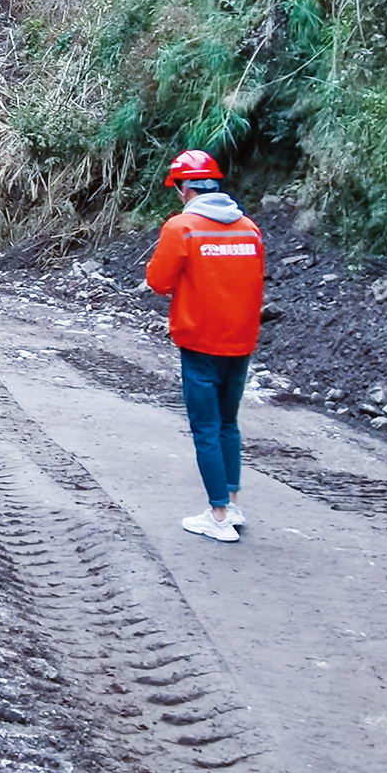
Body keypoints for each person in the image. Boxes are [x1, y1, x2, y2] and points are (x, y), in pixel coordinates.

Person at [144, 149, 266, 544]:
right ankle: (231, 503)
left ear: (184, 188)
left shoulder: (182, 228)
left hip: (200, 342)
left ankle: (218, 515)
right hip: (241, 341)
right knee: (228, 423)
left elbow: (158, 282)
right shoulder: (249, 229)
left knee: (206, 428)